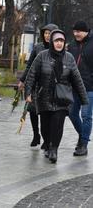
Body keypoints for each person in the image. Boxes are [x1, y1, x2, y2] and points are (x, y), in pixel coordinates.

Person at [25, 29, 88, 163]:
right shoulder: (42, 56)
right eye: (56, 41)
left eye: (61, 41)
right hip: (44, 97)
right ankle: (47, 144)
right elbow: (32, 75)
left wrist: (84, 99)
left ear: (64, 42)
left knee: (57, 125)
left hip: (61, 98)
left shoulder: (69, 58)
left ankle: (54, 149)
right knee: (45, 128)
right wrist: (28, 92)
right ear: (52, 42)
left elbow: (77, 79)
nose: (59, 44)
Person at [18, 24, 58, 148]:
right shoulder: (37, 47)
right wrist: (23, 80)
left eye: (50, 33)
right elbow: (30, 65)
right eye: (45, 33)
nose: (47, 35)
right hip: (36, 84)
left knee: (46, 113)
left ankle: (47, 139)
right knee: (32, 110)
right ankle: (36, 135)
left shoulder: (57, 48)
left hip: (49, 86)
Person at [68, 21, 93, 156]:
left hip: (89, 87)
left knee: (86, 116)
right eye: (74, 31)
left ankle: (83, 145)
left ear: (86, 31)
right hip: (74, 86)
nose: (76, 34)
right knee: (71, 113)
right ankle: (83, 135)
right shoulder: (72, 45)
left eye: (78, 31)